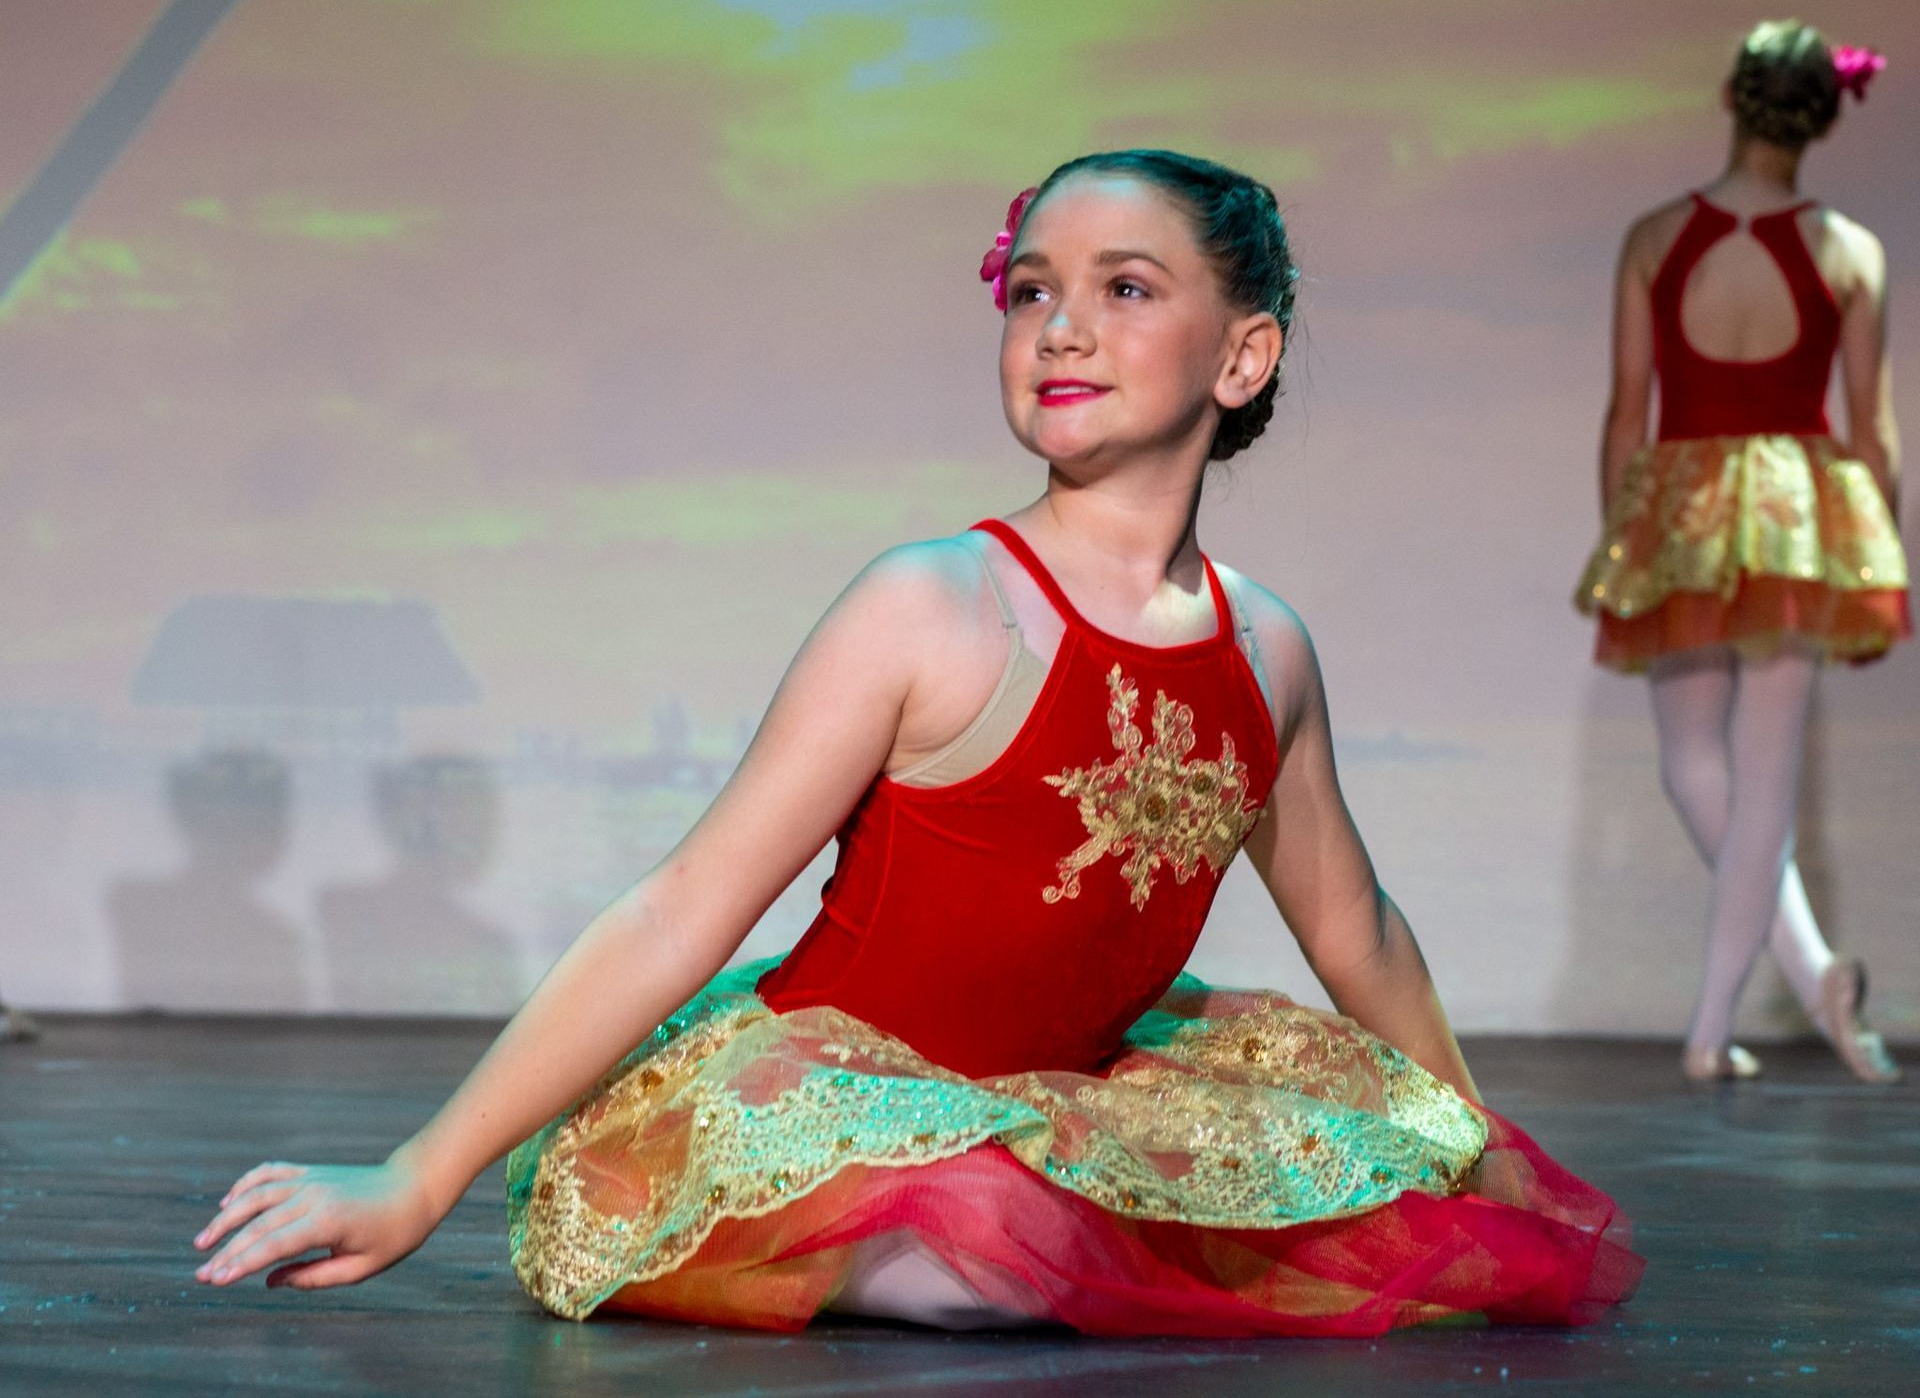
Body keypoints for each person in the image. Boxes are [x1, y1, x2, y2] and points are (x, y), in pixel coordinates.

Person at [195, 150, 1640, 1334]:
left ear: (1244, 354)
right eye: (1030, 292)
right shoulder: (935, 605)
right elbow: (685, 904)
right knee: (991, 1245)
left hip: (1066, 1094)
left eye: (1123, 288)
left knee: (1319, 1171)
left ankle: (1078, 1238)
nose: (1058, 326)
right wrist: (420, 1169)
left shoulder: (1265, 649)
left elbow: (1358, 928)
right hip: (826, 1105)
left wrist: (1471, 1146)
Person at [1575, 23, 1907, 1084]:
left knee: (1698, 766)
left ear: (1733, 93)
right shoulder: (1849, 250)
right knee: (1750, 776)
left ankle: (1715, 1026)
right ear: (1821, 114)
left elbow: (1627, 415)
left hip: (1683, 504)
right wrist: (1880, 543)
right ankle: (1809, 984)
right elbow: (1874, 430)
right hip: (1801, 512)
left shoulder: (1654, 236)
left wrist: (1625, 530)